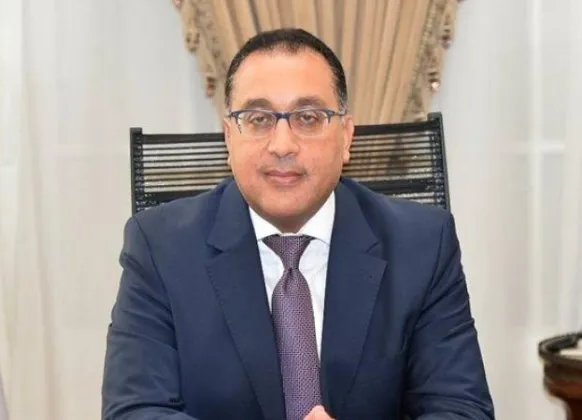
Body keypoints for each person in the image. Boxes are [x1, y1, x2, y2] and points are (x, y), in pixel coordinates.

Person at [102, 28, 494, 420]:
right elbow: (135, 411)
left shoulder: (423, 245)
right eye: (258, 119)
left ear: (346, 136)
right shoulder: (159, 247)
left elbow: (461, 409)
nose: (282, 145)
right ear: (228, 138)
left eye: (308, 118)